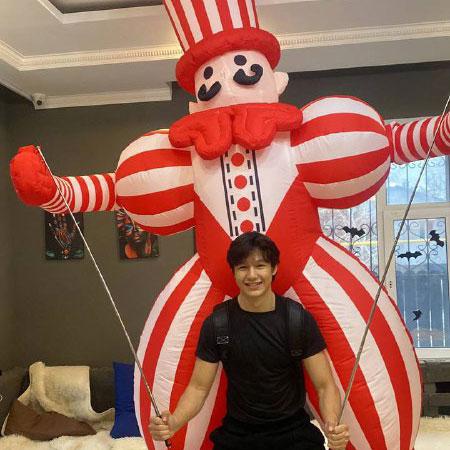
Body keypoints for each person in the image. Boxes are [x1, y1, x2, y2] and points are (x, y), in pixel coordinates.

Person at [149, 232, 349, 450]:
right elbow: (198, 388)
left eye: (260, 265)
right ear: (234, 272)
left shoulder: (298, 320)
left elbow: (325, 386)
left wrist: (332, 426)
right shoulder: (217, 324)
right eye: (243, 267)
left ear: (274, 268)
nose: (252, 275)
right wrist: (175, 422)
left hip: (294, 434)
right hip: (237, 436)